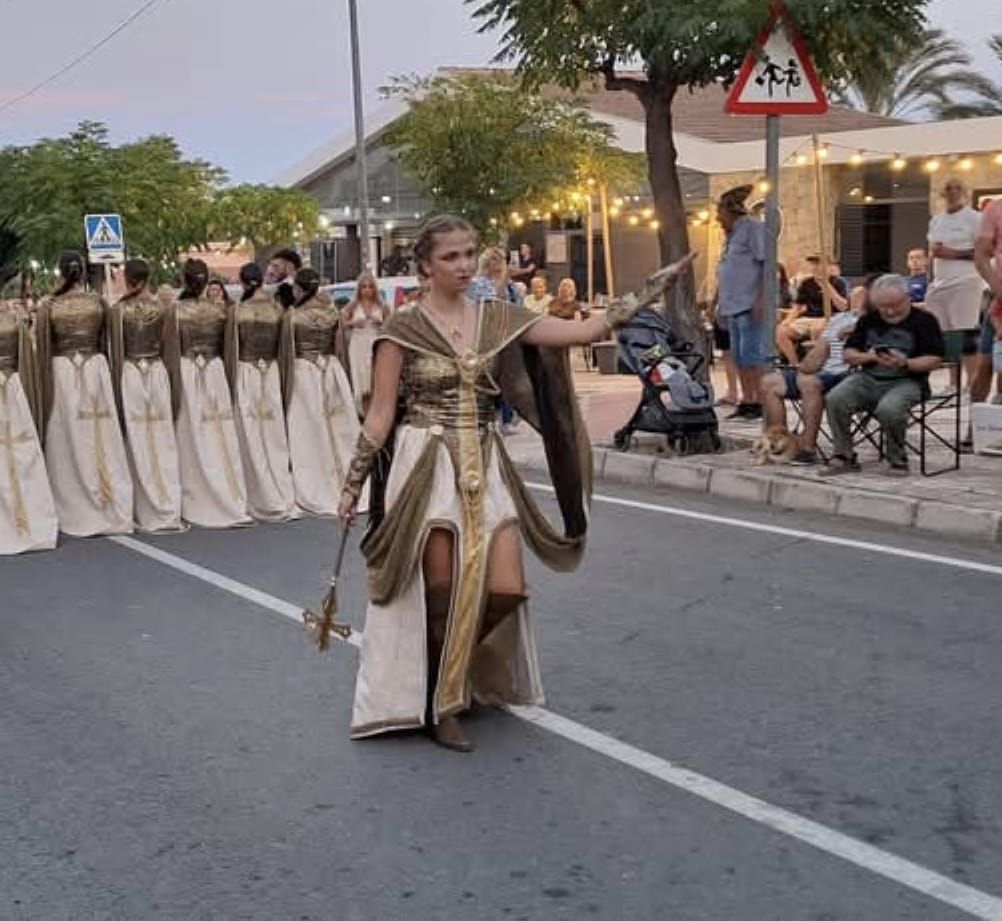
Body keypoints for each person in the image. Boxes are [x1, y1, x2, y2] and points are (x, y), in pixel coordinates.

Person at [337, 214, 694, 752]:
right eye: (450, 257)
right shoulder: (401, 329)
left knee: (506, 587)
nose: (462, 265)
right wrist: (352, 484)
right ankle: (440, 702)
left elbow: (586, 331)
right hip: (426, 460)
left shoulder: (497, 317)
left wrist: (652, 288)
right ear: (425, 266)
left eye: (468, 253)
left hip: (484, 458)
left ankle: (457, 670)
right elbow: (380, 413)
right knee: (441, 591)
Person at [36, 251, 133, 536]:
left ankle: (75, 502)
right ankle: (108, 498)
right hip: (96, 369)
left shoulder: (50, 305)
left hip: (63, 371)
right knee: (102, 436)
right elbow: (108, 342)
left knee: (67, 437)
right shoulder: (99, 303)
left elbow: (43, 348)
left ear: (61, 272)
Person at [824, 274, 944, 475]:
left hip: (908, 380)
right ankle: (844, 455)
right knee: (835, 398)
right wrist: (867, 357)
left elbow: (935, 359)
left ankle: (897, 459)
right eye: (883, 306)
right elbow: (848, 354)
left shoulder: (925, 321)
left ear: (908, 298)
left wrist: (906, 362)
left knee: (890, 408)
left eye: (895, 305)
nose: (889, 311)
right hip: (868, 377)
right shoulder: (869, 320)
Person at [167, 258, 250, 528]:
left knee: (192, 432)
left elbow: (170, 346)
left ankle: (197, 492)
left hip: (188, 370)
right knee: (219, 434)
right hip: (214, 372)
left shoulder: (175, 311)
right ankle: (227, 491)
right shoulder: (219, 311)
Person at [760, 276, 872, 466]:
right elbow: (818, 353)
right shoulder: (838, 319)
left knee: (809, 382)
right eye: (854, 296)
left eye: (861, 297)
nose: (856, 300)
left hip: (846, 374)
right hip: (823, 370)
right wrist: (805, 366)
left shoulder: (875, 322)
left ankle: (807, 448)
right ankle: (781, 445)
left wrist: (860, 323)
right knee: (770, 382)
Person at [107, 258, 183, 533]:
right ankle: (167, 501)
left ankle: (143, 502)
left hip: (130, 373)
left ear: (130, 280)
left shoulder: (118, 311)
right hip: (157, 372)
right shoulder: (163, 309)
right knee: (161, 439)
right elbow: (169, 347)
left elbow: (114, 348)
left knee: (137, 437)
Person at [280, 267, 361, 515]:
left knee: (309, 429)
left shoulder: (293, 315)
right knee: (339, 429)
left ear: (299, 289)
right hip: (330, 370)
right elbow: (340, 347)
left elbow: (287, 351)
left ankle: (316, 480)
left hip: (305, 371)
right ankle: (349, 482)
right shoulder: (331, 312)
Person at [228, 263, 296, 522]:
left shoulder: (239, 311)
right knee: (274, 435)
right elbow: (284, 347)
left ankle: (256, 492)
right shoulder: (277, 309)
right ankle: (279, 490)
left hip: (247, 372)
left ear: (244, 283)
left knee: (250, 434)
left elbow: (232, 348)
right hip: (271, 373)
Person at [0, 298, 58, 553]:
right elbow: (28, 362)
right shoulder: (13, 322)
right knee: (22, 453)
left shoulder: (14, 321)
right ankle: (30, 521)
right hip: (13, 388)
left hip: (12, 389)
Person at [924, 179, 986, 392]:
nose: (952, 192)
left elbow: (984, 252)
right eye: (948, 188)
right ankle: (953, 383)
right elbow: (934, 252)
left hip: (966, 281)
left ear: (966, 192)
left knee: (966, 333)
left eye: (957, 188)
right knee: (945, 334)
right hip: (940, 283)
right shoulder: (937, 220)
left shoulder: (975, 219)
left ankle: (973, 382)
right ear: (942, 194)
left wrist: (954, 254)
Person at [716, 184, 766, 420]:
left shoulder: (753, 229)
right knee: (737, 355)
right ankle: (747, 400)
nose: (717, 219)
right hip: (732, 304)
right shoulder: (729, 237)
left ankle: (759, 399)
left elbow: (767, 264)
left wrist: (761, 299)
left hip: (749, 303)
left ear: (732, 212)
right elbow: (724, 270)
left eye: (720, 213)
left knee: (751, 355)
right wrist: (717, 302)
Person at [471, 247, 524, 434]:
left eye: (503, 259)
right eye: (498, 260)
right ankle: (490, 417)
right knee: (490, 382)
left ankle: (508, 417)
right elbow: (493, 302)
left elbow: (519, 308)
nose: (502, 263)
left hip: (509, 338)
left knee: (509, 380)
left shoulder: (511, 285)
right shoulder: (478, 283)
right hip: (487, 340)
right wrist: (504, 279)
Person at [776, 255, 849, 367]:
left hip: (831, 317)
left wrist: (827, 286)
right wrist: (788, 320)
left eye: (819, 264)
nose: (815, 267)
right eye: (814, 264)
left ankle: (815, 364)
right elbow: (798, 306)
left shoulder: (839, 283)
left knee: (817, 328)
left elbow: (843, 307)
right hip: (808, 318)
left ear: (828, 266)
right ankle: (795, 363)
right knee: (780, 331)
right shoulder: (806, 283)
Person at [971, 197, 1002, 418]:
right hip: (998, 301)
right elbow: (981, 256)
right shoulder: (996, 208)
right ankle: (977, 423)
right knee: (985, 366)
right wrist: (998, 289)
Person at [342, 273, 387, 417]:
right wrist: (354, 323)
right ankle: (363, 415)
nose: (367, 290)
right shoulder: (353, 305)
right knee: (361, 382)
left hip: (376, 344)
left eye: (370, 286)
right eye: (364, 287)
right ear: (359, 289)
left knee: (374, 380)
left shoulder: (382, 306)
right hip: (358, 345)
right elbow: (342, 324)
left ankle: (375, 415)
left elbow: (392, 325)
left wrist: (381, 324)